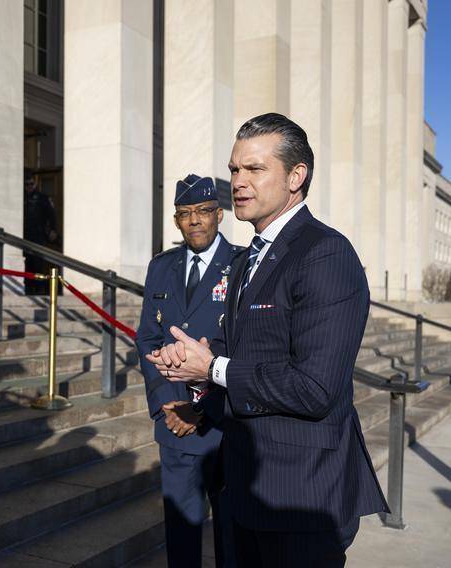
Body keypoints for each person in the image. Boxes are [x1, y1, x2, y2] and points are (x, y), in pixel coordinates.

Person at [148, 113, 387, 567]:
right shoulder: (247, 260)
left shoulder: (325, 253)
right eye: (236, 169)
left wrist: (212, 368)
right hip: (244, 487)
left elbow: (315, 388)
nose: (238, 181)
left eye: (255, 169)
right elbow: (250, 351)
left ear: (296, 176)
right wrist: (194, 362)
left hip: (300, 497)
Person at [135, 174, 239, 568]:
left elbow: (244, 345)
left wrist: (203, 407)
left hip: (223, 423)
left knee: (231, 533)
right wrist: (170, 404)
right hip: (175, 422)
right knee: (180, 535)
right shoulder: (161, 267)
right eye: (185, 213)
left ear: (220, 215)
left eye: (203, 211)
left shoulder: (242, 263)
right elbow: (148, 339)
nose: (194, 220)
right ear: (176, 220)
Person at [22, 170, 59, 296]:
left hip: (38, 236)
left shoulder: (42, 198)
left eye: (31, 184)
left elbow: (51, 215)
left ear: (35, 183)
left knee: (38, 263)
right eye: (26, 185)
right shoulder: (22, 198)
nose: (29, 187)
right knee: (27, 263)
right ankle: (29, 288)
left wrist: (53, 230)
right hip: (25, 235)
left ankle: (40, 289)